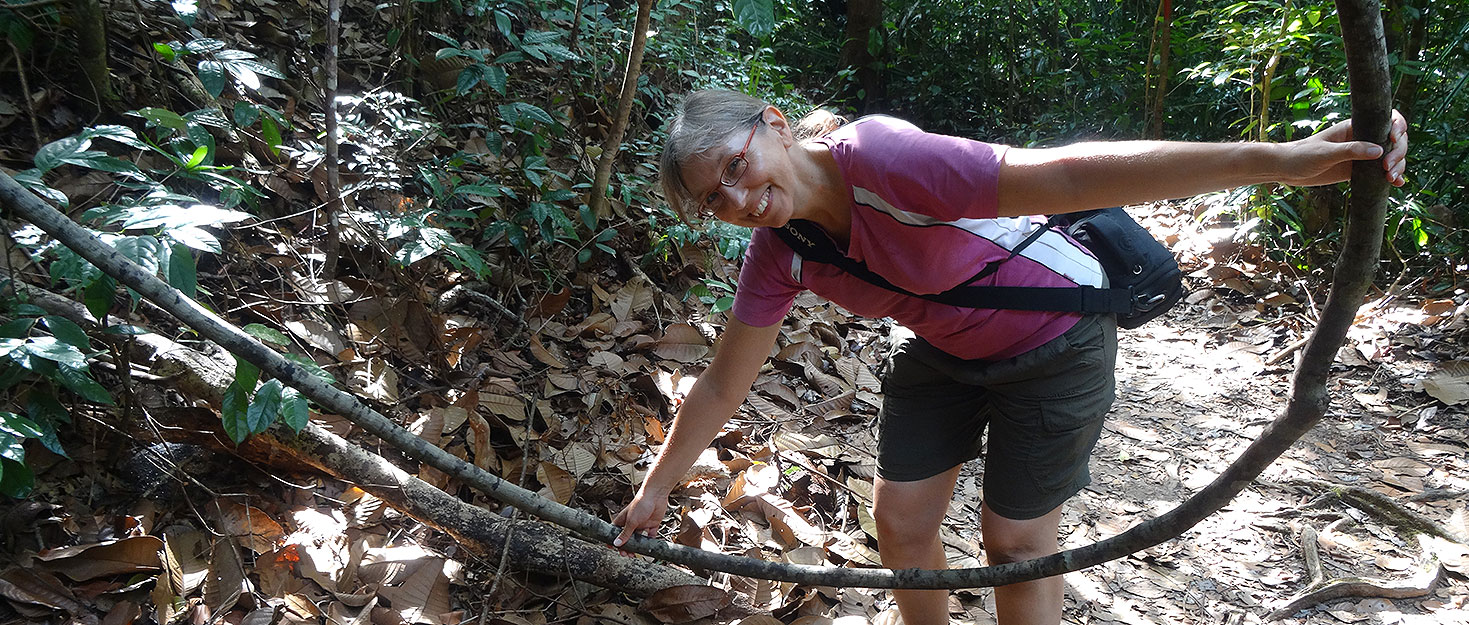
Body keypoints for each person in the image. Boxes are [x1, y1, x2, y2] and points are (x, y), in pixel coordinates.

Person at [612, 89, 1409, 625]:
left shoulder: (887, 160)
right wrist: (654, 493)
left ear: (775, 126)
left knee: (1015, 542)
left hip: (1055, 340)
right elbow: (722, 380)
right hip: (942, 350)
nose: (738, 200)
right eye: (714, 199)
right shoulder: (779, 251)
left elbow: (1065, 170)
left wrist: (1276, 157)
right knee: (900, 524)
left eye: (735, 167)